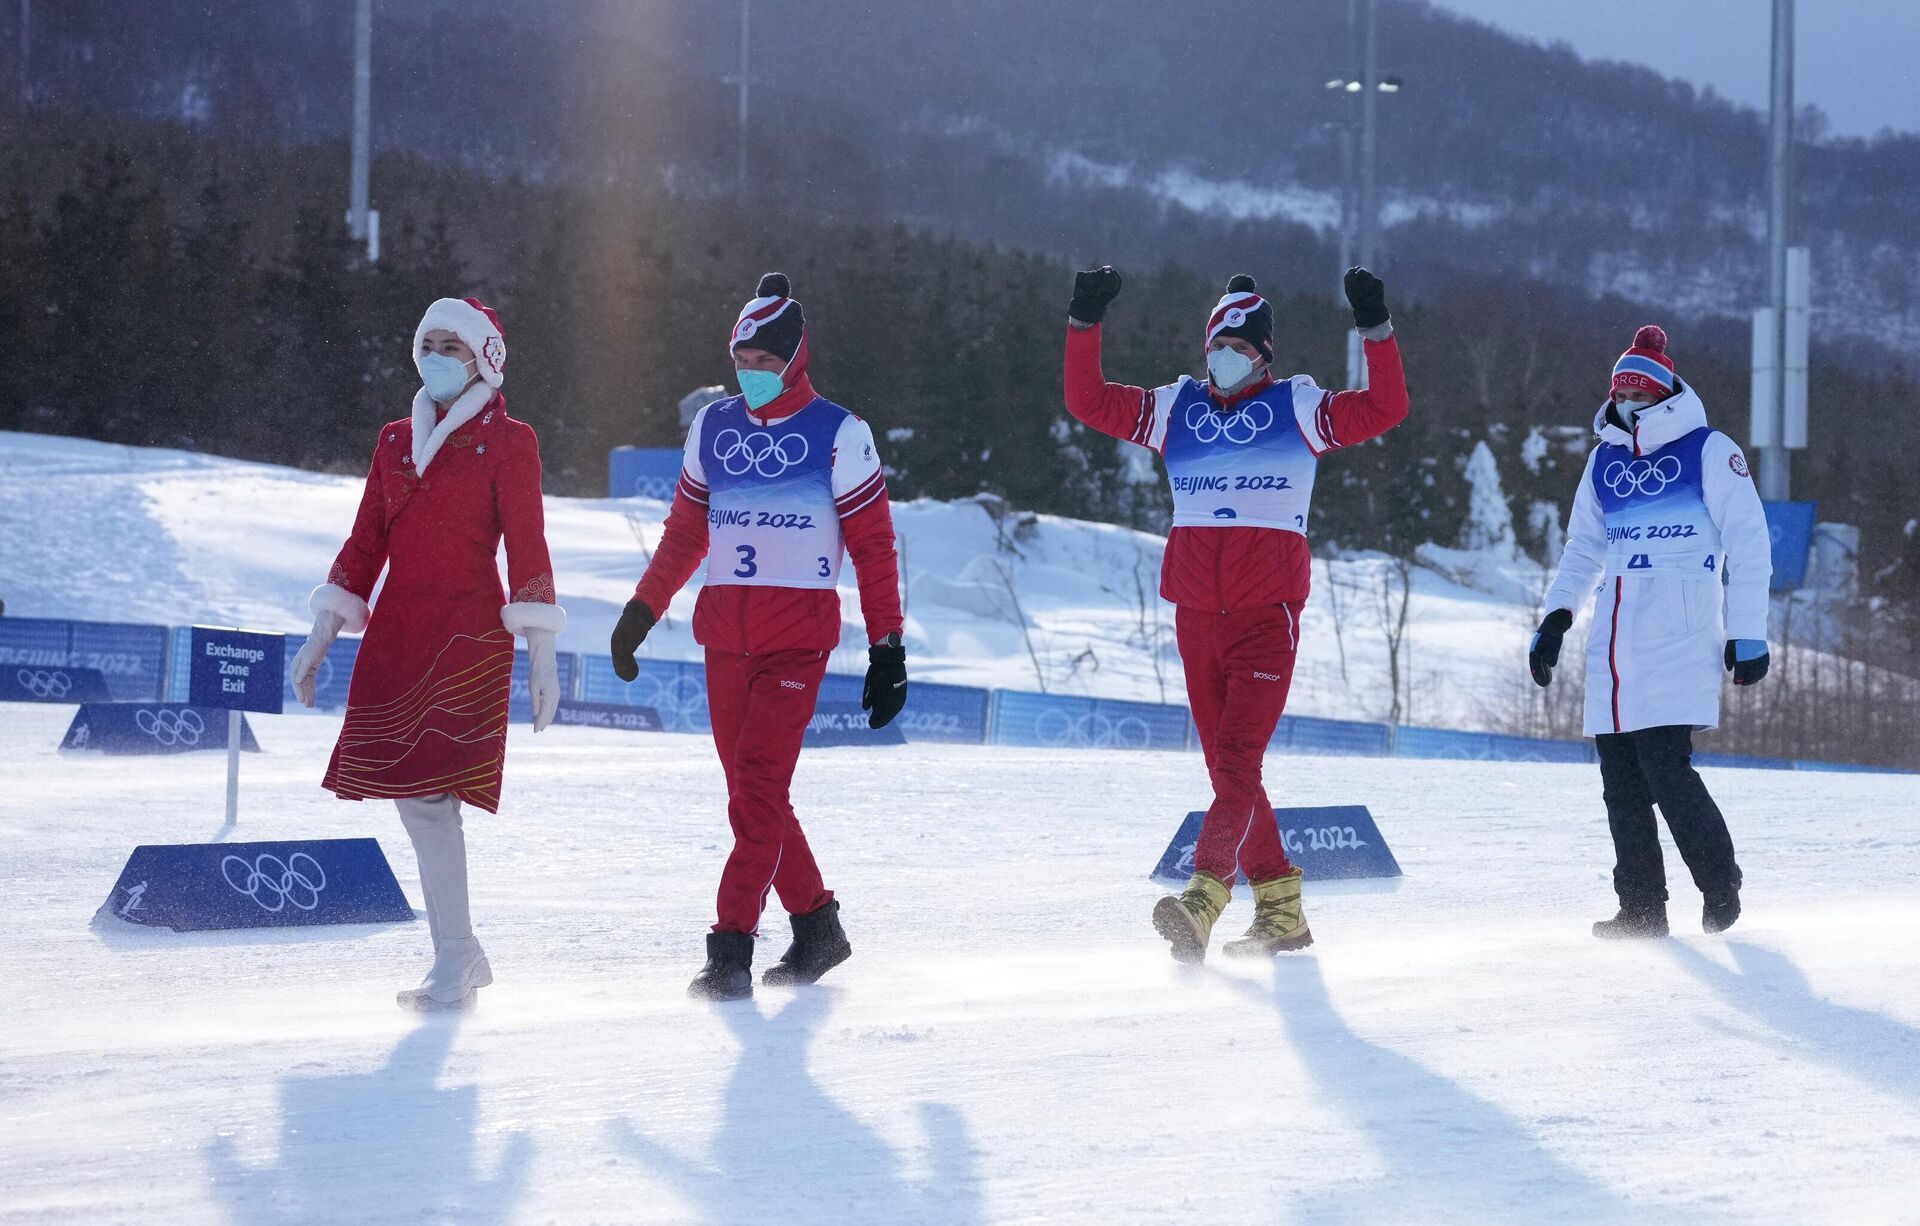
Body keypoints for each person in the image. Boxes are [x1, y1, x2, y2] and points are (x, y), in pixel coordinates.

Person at [1064, 265, 1409, 961]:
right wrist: (1083, 324)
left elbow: (1385, 409)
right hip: (1195, 613)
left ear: (1264, 355)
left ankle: (1205, 895)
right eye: (1216, 345)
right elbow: (1088, 401)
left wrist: (1375, 329)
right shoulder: (1177, 409)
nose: (1224, 358)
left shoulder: (1298, 409)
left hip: (1265, 615)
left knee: (1237, 757)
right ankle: (1281, 908)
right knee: (1229, 774)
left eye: (1240, 349)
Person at [609, 272, 906, 1001]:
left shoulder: (840, 433)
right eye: (742, 361)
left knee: (758, 793)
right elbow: (684, 535)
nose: (752, 374)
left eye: (766, 363)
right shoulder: (712, 428)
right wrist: (640, 612)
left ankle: (730, 950)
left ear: (795, 359)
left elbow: (874, 548)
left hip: (795, 645)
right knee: (755, 798)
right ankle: (817, 926)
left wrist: (887, 646)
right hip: (723, 641)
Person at [288, 297, 565, 1009]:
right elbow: (365, 543)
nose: (438, 354)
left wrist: (541, 650)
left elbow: (529, 546)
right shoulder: (391, 442)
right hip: (399, 632)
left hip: (470, 632)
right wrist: (322, 632)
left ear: (485, 358)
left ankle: (456, 957)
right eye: (429, 342)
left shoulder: (512, 440)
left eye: (454, 344)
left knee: (430, 800)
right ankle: (460, 955)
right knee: (418, 803)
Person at [1530, 325, 1771, 938]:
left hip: (1680, 629)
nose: (1629, 400)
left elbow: (1749, 541)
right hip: (1614, 639)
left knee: (1666, 769)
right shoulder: (1604, 459)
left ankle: (1720, 884)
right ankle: (1640, 908)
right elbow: (1583, 547)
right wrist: (1557, 617)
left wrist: (1749, 632)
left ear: (1665, 394)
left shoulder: (1710, 450)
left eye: (1642, 390)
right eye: (1621, 389)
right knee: (1621, 782)